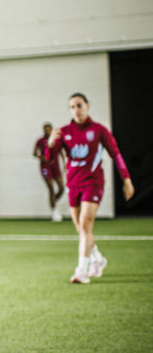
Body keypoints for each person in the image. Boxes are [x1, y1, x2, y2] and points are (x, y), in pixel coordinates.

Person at [46, 92, 134, 284]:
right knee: (80, 228)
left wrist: (126, 179)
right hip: (73, 184)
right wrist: (50, 143)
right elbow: (50, 157)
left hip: (93, 183)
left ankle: (81, 270)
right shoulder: (64, 131)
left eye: (79, 105)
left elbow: (115, 153)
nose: (76, 110)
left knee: (86, 224)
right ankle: (98, 259)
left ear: (87, 106)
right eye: (72, 107)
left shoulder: (99, 130)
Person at [34, 122, 64, 221]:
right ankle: (54, 211)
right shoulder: (40, 141)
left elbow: (61, 152)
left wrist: (65, 164)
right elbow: (35, 153)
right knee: (51, 188)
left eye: (48, 129)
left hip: (55, 165)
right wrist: (43, 157)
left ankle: (53, 200)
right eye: (45, 130)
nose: (47, 131)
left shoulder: (57, 140)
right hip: (45, 166)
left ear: (51, 130)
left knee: (61, 188)